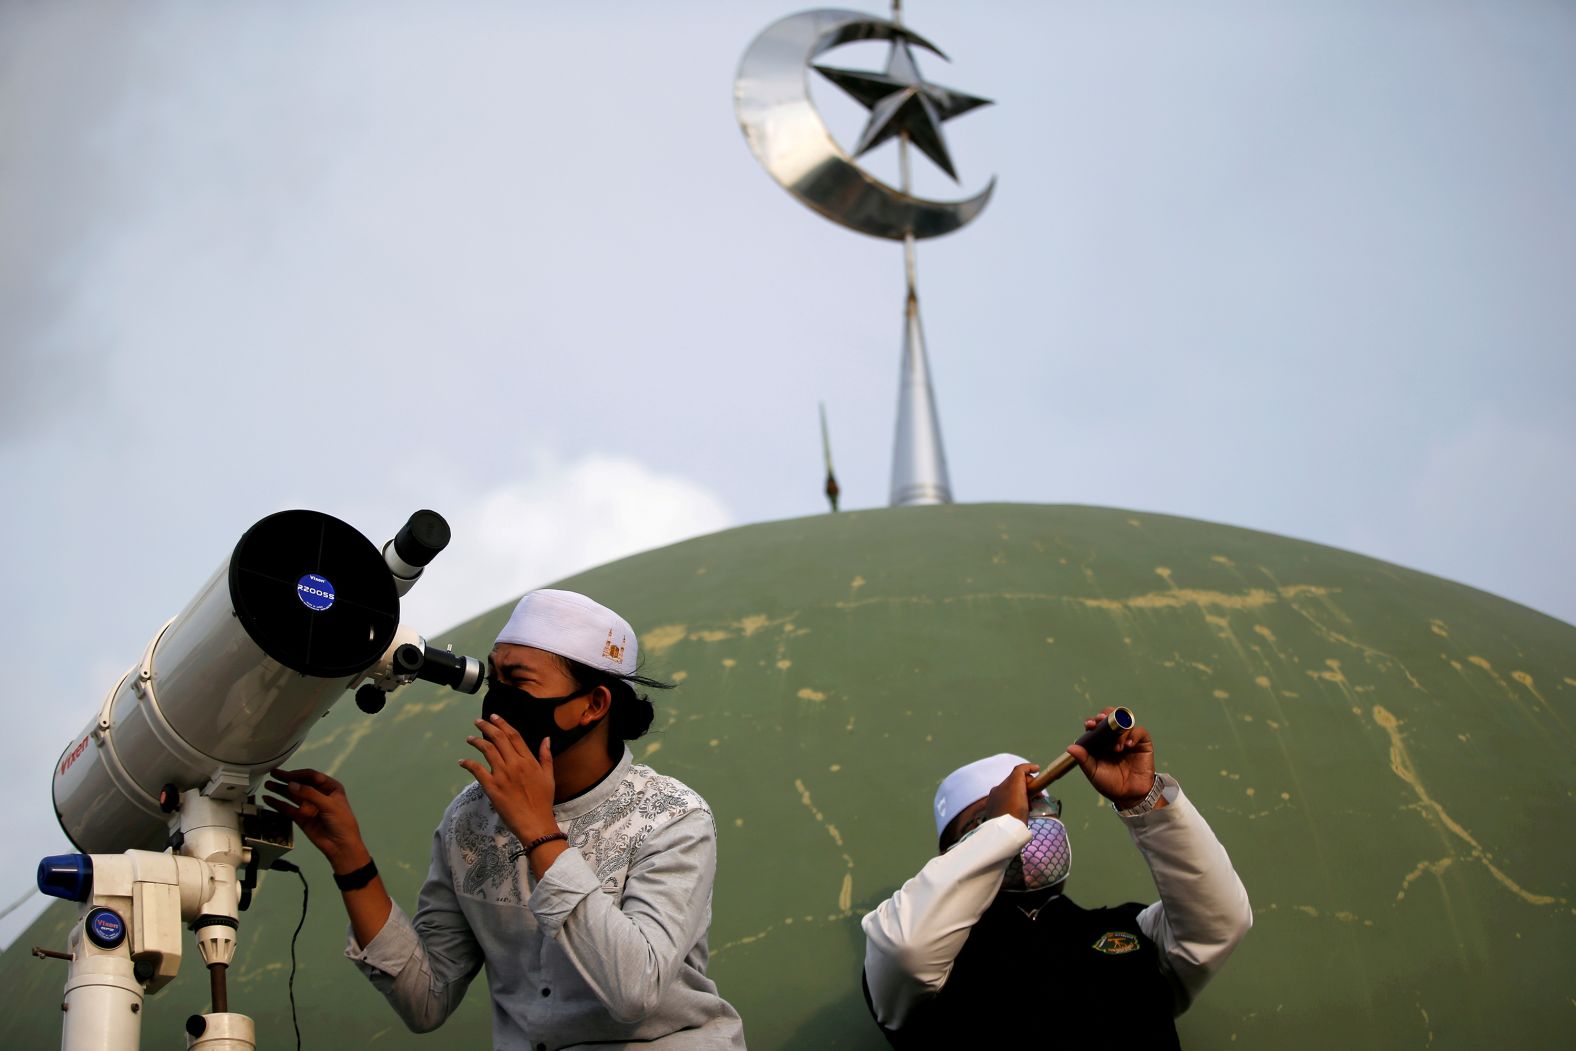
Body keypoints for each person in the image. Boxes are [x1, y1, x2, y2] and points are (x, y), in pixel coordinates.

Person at [265, 589, 745, 1050]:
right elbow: (426, 1001)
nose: (498, 699)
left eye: (518, 682)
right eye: (495, 680)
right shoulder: (469, 819)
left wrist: (539, 832)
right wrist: (351, 859)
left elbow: (634, 990)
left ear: (594, 705)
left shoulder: (671, 817)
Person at [860, 707, 1251, 1048]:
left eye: (1035, 804)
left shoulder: (1132, 931)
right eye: (988, 820)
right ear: (954, 856)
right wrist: (998, 834)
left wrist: (1144, 800)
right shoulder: (927, 970)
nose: (1023, 823)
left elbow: (1220, 923)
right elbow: (905, 950)